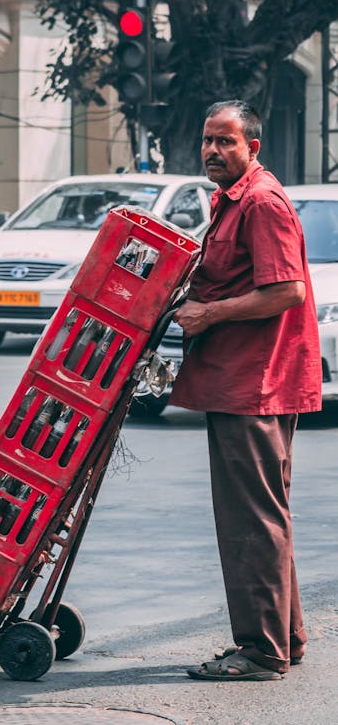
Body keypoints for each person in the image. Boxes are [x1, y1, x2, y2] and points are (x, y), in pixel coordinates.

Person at [170, 99, 322, 681]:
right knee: (265, 515)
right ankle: (286, 636)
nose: (213, 151)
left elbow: (287, 291)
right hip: (241, 379)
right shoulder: (229, 199)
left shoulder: (261, 202)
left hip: (255, 382)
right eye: (208, 140)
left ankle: (260, 652)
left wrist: (209, 315)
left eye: (225, 142)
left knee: (250, 520)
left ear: (252, 148)